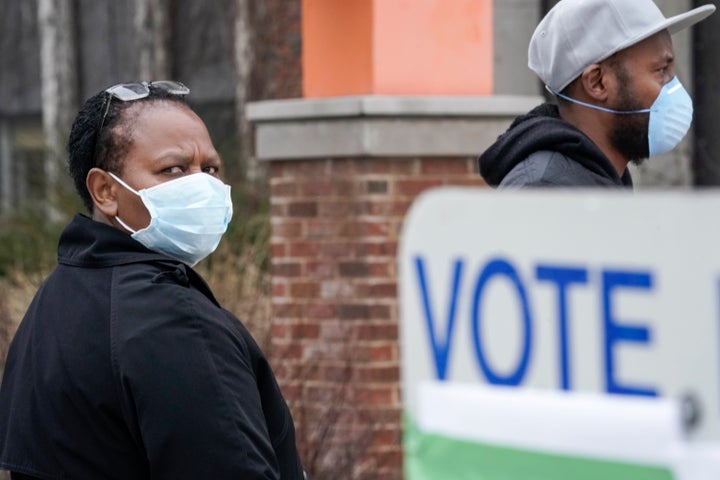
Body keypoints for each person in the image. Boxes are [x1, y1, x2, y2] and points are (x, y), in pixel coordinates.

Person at [0, 81, 305, 479]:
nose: (202, 186)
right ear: (105, 191)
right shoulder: (176, 323)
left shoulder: (56, 298)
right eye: (173, 169)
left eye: (210, 168)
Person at [478, 0, 715, 188]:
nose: (674, 86)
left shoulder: (592, 178)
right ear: (598, 82)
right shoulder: (547, 192)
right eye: (661, 70)